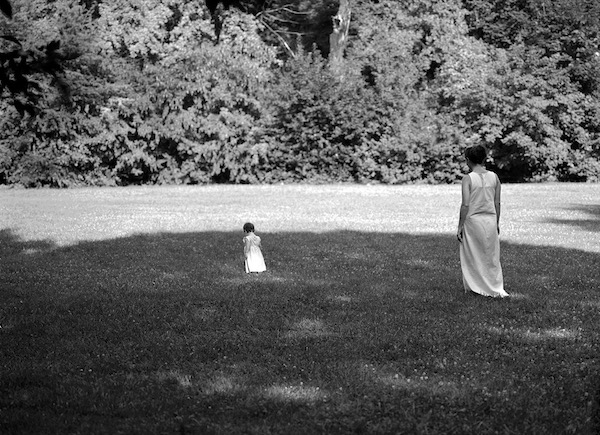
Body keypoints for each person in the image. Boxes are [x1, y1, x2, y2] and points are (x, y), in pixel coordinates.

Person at [457, 145, 508, 298]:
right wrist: (497, 222)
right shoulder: (494, 177)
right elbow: (497, 203)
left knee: (472, 256)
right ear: (484, 158)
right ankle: (494, 285)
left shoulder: (468, 179)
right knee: (491, 256)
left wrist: (460, 226)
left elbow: (465, 204)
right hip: (490, 221)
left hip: (473, 221)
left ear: (468, 160)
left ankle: (476, 286)